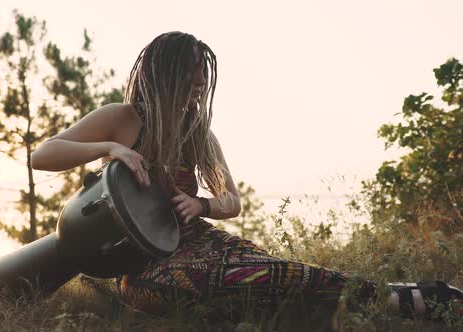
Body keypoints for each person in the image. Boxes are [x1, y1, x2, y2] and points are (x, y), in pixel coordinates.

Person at [30, 31, 462, 324]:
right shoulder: (120, 119)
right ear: (163, 70)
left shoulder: (199, 134)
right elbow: (43, 155)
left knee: (277, 273)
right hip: (141, 265)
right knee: (193, 291)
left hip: (201, 242)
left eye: (204, 70)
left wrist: (201, 206)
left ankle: (407, 299)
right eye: (192, 69)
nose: (201, 79)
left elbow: (231, 200)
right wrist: (110, 148)